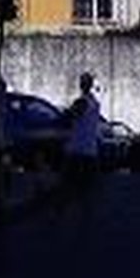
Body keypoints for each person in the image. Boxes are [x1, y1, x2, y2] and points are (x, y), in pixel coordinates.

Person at [59, 76, 109, 223]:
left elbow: (72, 115)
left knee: (68, 183)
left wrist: (66, 113)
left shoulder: (83, 102)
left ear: (82, 85)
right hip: (89, 149)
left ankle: (63, 211)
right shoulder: (95, 102)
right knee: (87, 186)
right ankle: (85, 213)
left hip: (77, 149)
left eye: (82, 82)